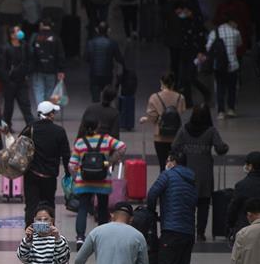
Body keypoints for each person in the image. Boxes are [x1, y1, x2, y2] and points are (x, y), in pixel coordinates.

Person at [146, 151, 198, 264]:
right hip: (188, 232)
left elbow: (152, 194)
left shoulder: (167, 175)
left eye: (168, 160)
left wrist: (152, 212)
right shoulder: (191, 179)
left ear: (173, 162)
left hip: (171, 231)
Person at [171, 104, 228, 240]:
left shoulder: (184, 130)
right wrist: (225, 147)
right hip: (205, 172)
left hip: (186, 173)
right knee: (204, 203)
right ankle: (201, 232)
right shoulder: (211, 131)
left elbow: (174, 147)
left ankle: (187, 229)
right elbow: (220, 148)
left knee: (187, 203)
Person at [69, 120, 127, 248]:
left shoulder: (80, 142)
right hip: (103, 180)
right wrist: (110, 161)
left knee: (82, 208)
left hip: (84, 181)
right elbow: (122, 146)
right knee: (102, 208)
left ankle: (80, 238)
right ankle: (101, 237)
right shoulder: (106, 140)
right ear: (98, 126)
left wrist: (77, 177)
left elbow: (72, 165)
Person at [21, 101, 71, 226]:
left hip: (31, 174)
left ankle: (29, 233)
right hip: (49, 176)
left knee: (31, 205)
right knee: (49, 204)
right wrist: (68, 172)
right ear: (51, 115)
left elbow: (19, 146)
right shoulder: (59, 131)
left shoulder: (30, 128)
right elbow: (66, 155)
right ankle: (49, 232)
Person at [139, 72, 186, 171]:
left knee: (162, 165)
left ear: (162, 83)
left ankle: (164, 183)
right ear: (173, 83)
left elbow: (152, 117)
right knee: (176, 165)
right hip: (176, 135)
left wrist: (146, 119)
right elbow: (181, 112)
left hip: (160, 136)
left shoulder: (154, 97)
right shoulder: (180, 98)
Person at [0, 25, 32, 130]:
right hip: (10, 83)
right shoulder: (5, 48)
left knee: (26, 106)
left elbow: (30, 61)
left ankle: (31, 127)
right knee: (8, 107)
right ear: (12, 35)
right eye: (17, 31)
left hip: (22, 82)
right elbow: (1, 67)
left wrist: (27, 73)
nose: (20, 32)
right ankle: (7, 127)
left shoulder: (25, 46)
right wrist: (7, 80)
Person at [205, 16, 243, 118]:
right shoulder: (236, 33)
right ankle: (231, 109)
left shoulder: (214, 33)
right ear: (231, 21)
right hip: (233, 65)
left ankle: (221, 111)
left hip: (219, 66)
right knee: (232, 88)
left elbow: (208, 47)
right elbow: (239, 44)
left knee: (220, 88)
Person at [28, 17, 66, 112]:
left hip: (37, 69)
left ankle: (41, 111)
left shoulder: (35, 37)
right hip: (51, 70)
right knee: (49, 92)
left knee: (38, 91)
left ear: (41, 25)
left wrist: (28, 69)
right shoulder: (56, 38)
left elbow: (30, 53)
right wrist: (61, 70)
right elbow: (60, 55)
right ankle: (47, 112)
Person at [84, 22, 124, 104]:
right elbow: (119, 58)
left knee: (95, 99)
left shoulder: (91, 43)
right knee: (107, 97)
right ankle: (105, 113)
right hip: (107, 74)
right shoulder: (112, 43)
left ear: (97, 30)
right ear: (108, 30)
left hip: (94, 74)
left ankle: (96, 113)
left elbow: (86, 58)